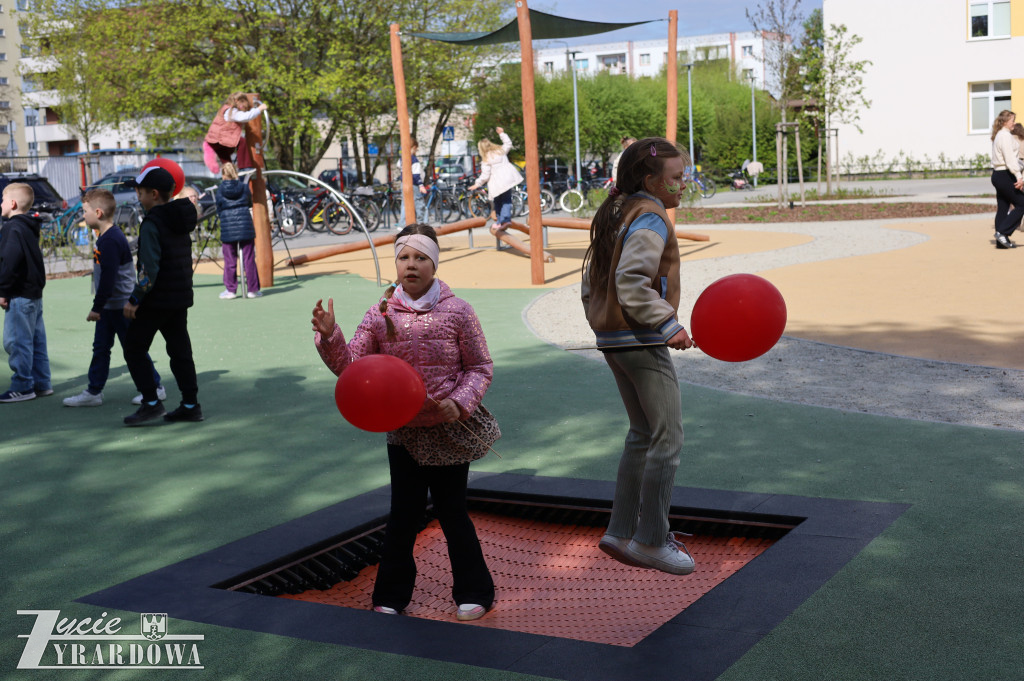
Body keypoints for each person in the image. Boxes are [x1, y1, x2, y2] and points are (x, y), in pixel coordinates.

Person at [311, 223, 499, 621]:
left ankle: (474, 591)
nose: (410, 265)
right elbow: (352, 369)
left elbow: (480, 367)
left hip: (447, 431)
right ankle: (392, 596)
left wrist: (459, 403)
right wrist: (330, 337)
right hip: (404, 432)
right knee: (403, 515)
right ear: (395, 264)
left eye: (420, 257)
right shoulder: (380, 315)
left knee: (452, 513)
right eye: (403, 257)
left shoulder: (458, 311)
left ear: (434, 263)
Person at [580, 137, 697, 575]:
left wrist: (600, 324)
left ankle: (620, 529)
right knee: (668, 438)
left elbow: (591, 281)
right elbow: (631, 282)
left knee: (642, 434)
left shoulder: (617, 211)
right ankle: (650, 539)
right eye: (676, 178)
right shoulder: (651, 218)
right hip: (641, 339)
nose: (683, 185)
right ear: (651, 180)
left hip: (614, 340)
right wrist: (668, 325)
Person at [63, 189, 166, 407]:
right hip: (111, 306)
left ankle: (155, 387)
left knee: (133, 348)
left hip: (119, 306)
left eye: (85, 211)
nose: (83, 216)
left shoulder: (109, 240)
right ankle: (94, 391)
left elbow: (108, 279)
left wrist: (96, 307)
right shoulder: (107, 237)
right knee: (101, 348)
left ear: (98, 212)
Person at [121, 166, 203, 425]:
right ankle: (190, 404)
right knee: (180, 351)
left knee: (134, 346)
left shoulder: (152, 223)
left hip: (156, 298)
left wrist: (135, 298)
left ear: (154, 194)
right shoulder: (179, 217)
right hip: (178, 295)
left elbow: (149, 268)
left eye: (140, 192)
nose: (138, 197)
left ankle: (151, 402)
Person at [0, 182, 50, 403]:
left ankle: (22, 385)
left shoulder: (12, 228)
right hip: (33, 294)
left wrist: (3, 289)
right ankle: (42, 383)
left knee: (17, 340)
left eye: (2, 200)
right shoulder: (30, 225)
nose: (1, 204)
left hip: (19, 294)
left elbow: (10, 261)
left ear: (12, 203)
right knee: (36, 340)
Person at [214, 162, 261, 299]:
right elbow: (249, 203)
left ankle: (231, 290)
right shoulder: (244, 187)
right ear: (235, 172)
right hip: (245, 226)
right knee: (249, 259)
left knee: (230, 260)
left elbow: (219, 207)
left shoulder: (221, 190)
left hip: (228, 227)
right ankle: (252, 289)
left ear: (223, 174)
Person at [467, 127, 523, 234]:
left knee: (498, 202)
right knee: (506, 200)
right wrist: (502, 133)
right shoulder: (500, 151)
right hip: (507, 180)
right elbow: (508, 143)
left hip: (497, 183)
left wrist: (477, 184)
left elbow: (485, 175)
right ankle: (503, 220)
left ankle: (503, 221)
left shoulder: (486, 159)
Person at [204, 92, 267, 173]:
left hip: (214, 141)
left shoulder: (225, 109)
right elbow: (245, 117)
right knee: (241, 141)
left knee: (227, 163)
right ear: (236, 101)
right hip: (219, 139)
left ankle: (229, 176)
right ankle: (244, 167)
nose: (243, 105)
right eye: (242, 102)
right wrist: (259, 109)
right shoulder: (231, 111)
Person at [989, 109, 1023, 250]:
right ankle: (1002, 233)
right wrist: (1019, 177)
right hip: (1005, 174)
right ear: (1004, 122)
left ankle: (1001, 242)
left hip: (998, 174)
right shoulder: (1005, 136)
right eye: (1012, 120)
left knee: (1003, 207)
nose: (1014, 123)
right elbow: (1010, 159)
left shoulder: (1000, 135)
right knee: (1022, 204)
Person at [398, 141, 427, 228]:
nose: (416, 150)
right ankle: (422, 223)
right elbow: (416, 175)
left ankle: (402, 224)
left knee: (405, 204)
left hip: (404, 184)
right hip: (413, 184)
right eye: (416, 149)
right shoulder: (414, 160)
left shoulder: (402, 158)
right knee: (419, 203)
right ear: (414, 147)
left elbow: (398, 166)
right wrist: (421, 185)